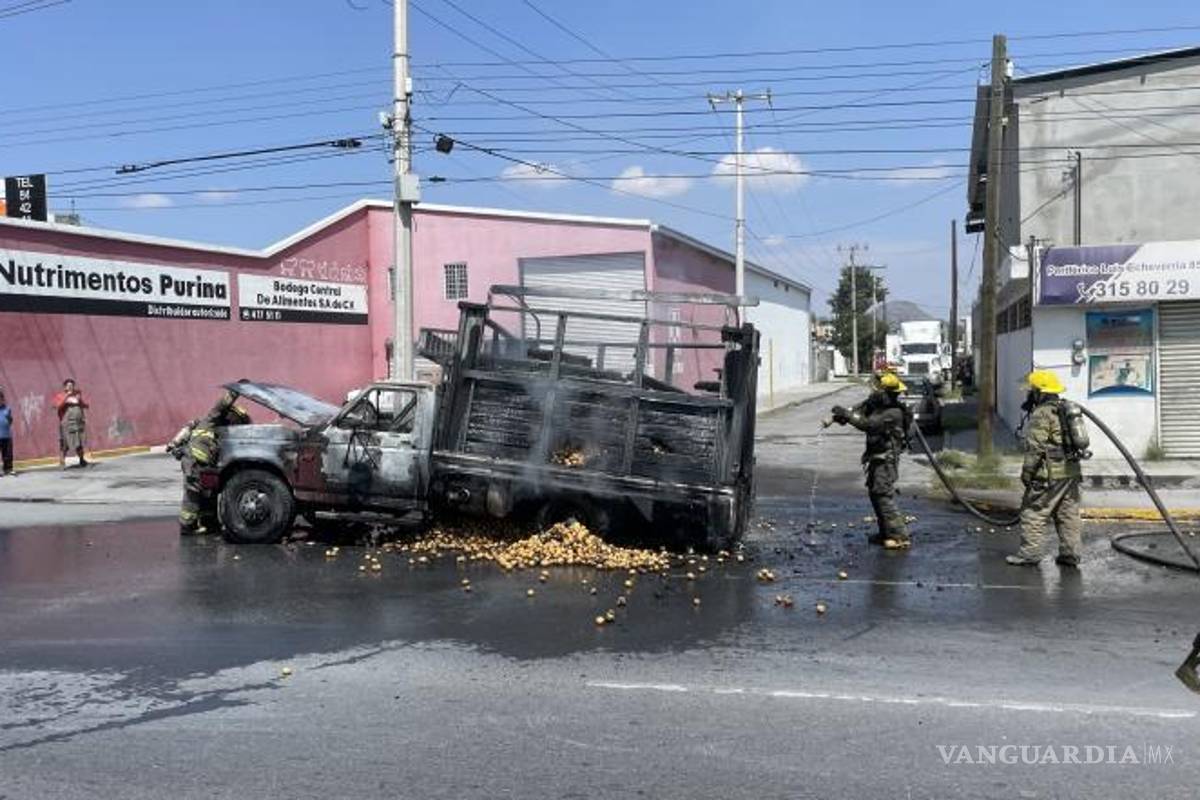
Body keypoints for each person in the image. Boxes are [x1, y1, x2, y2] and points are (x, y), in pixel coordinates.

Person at [1007, 369, 1083, 568]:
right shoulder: (1066, 408)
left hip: (1048, 474)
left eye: (1031, 391)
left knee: (1033, 512)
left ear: (1039, 392)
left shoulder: (1042, 413)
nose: (1028, 394)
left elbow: (1035, 447)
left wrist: (1027, 472)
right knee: (1068, 514)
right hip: (1071, 472)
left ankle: (1030, 554)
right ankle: (1071, 554)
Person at [830, 371, 914, 550]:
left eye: (877, 391)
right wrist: (844, 416)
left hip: (886, 461)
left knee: (883, 495)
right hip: (876, 459)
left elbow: (869, 425)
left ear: (886, 394)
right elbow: (858, 411)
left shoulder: (893, 413)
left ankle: (899, 535)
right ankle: (886, 532)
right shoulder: (877, 405)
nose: (873, 394)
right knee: (875, 494)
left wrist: (849, 416)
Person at [168, 390, 251, 536]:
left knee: (208, 494)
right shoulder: (212, 419)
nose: (236, 423)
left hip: (206, 465)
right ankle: (187, 526)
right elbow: (221, 405)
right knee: (193, 492)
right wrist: (234, 393)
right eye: (238, 419)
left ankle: (209, 524)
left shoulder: (220, 430)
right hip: (195, 461)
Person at [52, 379, 88, 469]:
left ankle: (82, 459)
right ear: (65, 387)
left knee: (79, 442)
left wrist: (81, 401)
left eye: (71, 385)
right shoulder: (60, 396)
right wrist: (66, 397)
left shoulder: (77, 396)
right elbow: (57, 406)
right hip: (66, 424)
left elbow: (84, 406)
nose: (70, 386)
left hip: (77, 423)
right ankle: (62, 462)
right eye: (68, 385)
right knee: (65, 443)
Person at [0, 388, 13, 476]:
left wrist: (9, 418)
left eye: (1, 398)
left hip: (7, 435)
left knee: (7, 454)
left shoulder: (7, 409)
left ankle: (8, 469)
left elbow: (10, 421)